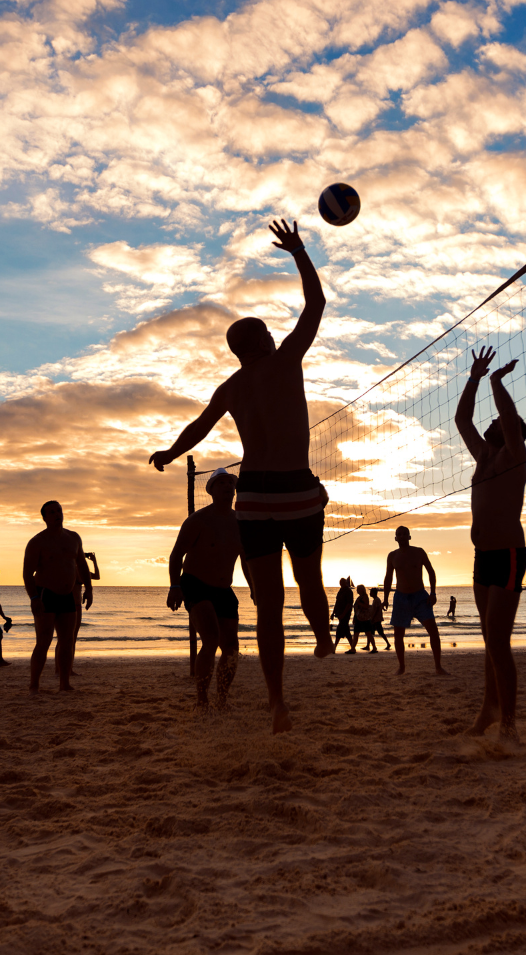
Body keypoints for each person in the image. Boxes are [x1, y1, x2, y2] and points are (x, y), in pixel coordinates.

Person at [149, 218, 335, 733]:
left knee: (268, 607)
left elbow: (197, 429)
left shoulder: (231, 386)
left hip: (253, 495)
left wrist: (168, 452)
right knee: (309, 580)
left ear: (237, 351)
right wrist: (299, 253)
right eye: (273, 334)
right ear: (267, 341)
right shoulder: (287, 360)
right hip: (297, 488)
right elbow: (315, 306)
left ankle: (278, 705)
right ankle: (322, 636)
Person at [456, 346, 526, 740]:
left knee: (498, 642)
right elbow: (462, 418)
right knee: (489, 640)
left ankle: (510, 725)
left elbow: (511, 422)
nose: (493, 423)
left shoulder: (514, 456)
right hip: (482, 556)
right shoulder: (483, 455)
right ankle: (488, 709)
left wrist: (498, 382)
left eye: (499, 422)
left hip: (509, 555)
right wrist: (475, 378)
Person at [166, 470, 242, 709]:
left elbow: (246, 559)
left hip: (224, 587)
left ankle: (221, 698)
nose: (227, 486)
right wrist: (175, 586)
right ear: (211, 490)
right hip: (195, 583)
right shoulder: (198, 520)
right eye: (221, 483)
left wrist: (255, 588)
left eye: (230, 482)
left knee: (231, 647)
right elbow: (177, 554)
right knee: (211, 640)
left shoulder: (240, 520)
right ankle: (202, 700)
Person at [23, 501, 94, 694]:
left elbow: (81, 565)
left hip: (68, 596)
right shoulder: (37, 542)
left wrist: (89, 588)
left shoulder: (73, 538)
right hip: (46, 594)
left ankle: (64, 684)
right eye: (52, 512)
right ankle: (34, 685)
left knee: (67, 641)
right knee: (44, 641)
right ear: (44, 518)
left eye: (59, 510)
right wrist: (34, 598)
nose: (57, 514)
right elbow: (28, 574)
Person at [382, 526, 446, 676]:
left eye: (405, 534)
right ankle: (401, 667)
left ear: (410, 537)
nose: (402, 536)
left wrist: (433, 593)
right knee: (398, 634)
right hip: (401, 597)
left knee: (433, 631)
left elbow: (431, 571)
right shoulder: (392, 556)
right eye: (399, 534)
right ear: (396, 538)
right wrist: (385, 599)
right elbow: (388, 578)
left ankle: (438, 666)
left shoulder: (419, 552)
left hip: (420, 597)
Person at [333, 576, 356, 653]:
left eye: (343, 583)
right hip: (339, 614)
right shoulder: (340, 591)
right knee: (344, 630)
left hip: (345, 614)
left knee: (341, 630)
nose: (341, 584)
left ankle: (334, 648)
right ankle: (352, 648)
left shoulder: (349, 591)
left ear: (346, 583)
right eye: (340, 583)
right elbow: (337, 602)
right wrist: (333, 613)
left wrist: (343, 614)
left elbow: (349, 604)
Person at [354, 587, 377, 652]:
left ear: (361, 590)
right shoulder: (360, 597)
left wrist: (359, 603)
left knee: (368, 633)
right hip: (359, 617)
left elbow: (366, 606)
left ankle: (374, 647)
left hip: (363, 618)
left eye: (358, 589)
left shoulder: (364, 597)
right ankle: (353, 648)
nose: (357, 590)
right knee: (356, 633)